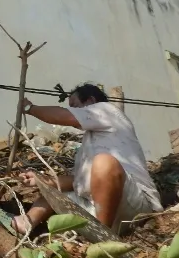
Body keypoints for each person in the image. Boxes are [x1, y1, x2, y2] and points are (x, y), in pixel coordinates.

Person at [12, 83, 163, 234]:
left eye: (75, 105)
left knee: (104, 163)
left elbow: (62, 116)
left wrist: (30, 108)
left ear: (90, 101)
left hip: (134, 204)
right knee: (52, 193)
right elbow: (77, 183)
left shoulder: (107, 111)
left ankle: (102, 235)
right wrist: (41, 180)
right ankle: (27, 221)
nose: (73, 110)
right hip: (99, 211)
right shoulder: (89, 146)